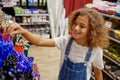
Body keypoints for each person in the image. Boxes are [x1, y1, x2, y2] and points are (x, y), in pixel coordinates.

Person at [7, 8, 109, 80]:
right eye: (75, 23)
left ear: (92, 30)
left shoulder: (95, 50)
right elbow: (39, 41)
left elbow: (97, 73)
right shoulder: (66, 41)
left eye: (82, 26)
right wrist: (23, 31)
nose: (76, 28)